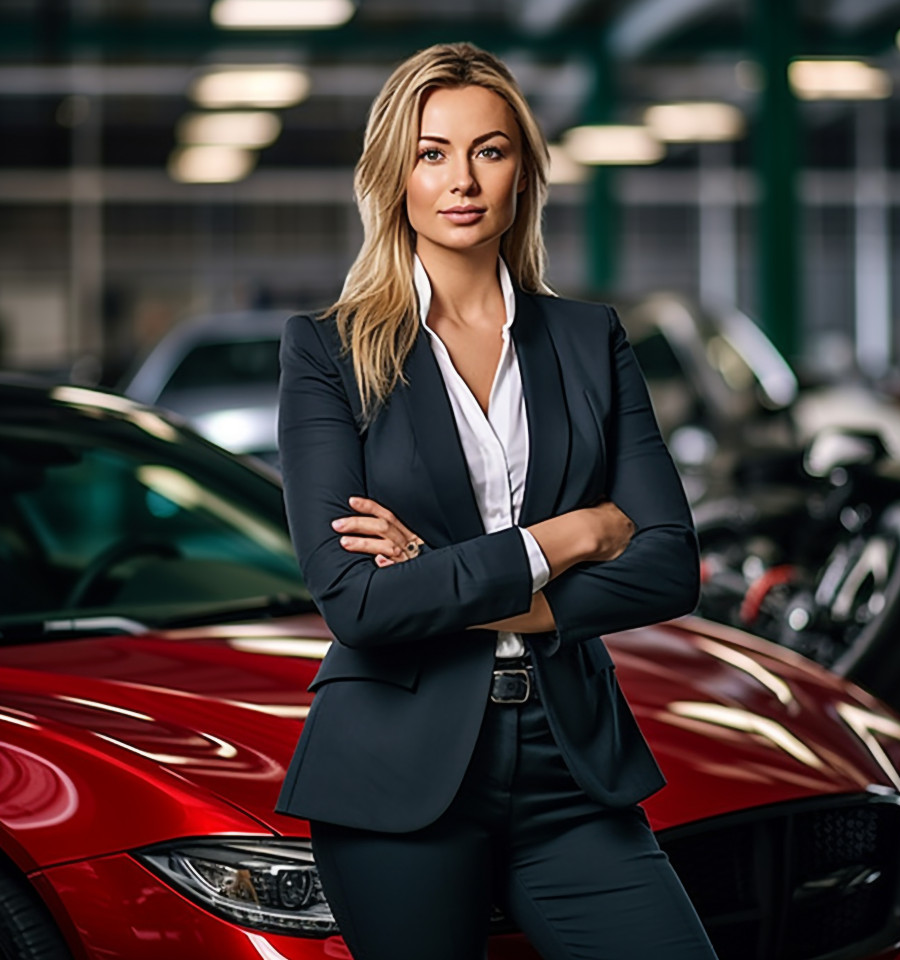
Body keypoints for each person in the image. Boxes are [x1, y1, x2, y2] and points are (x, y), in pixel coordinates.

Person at [275, 40, 719, 960]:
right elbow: (355, 603)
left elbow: (670, 565)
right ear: (394, 174)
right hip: (398, 767)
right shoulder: (327, 354)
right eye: (432, 152)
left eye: (490, 149)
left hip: (572, 763)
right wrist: (569, 535)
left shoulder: (589, 339)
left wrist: (439, 582)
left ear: (525, 170)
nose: (462, 178)